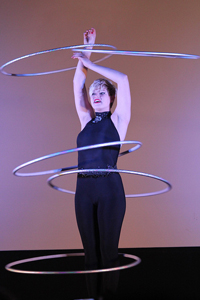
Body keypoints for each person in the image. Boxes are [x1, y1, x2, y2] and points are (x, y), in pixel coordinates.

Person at [72, 28, 131, 298]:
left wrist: (92, 64)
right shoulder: (85, 119)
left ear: (111, 98)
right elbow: (77, 86)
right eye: (93, 92)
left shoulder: (118, 120)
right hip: (83, 190)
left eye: (101, 92)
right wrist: (87, 49)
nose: (95, 95)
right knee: (89, 255)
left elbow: (124, 78)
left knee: (108, 253)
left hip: (109, 190)